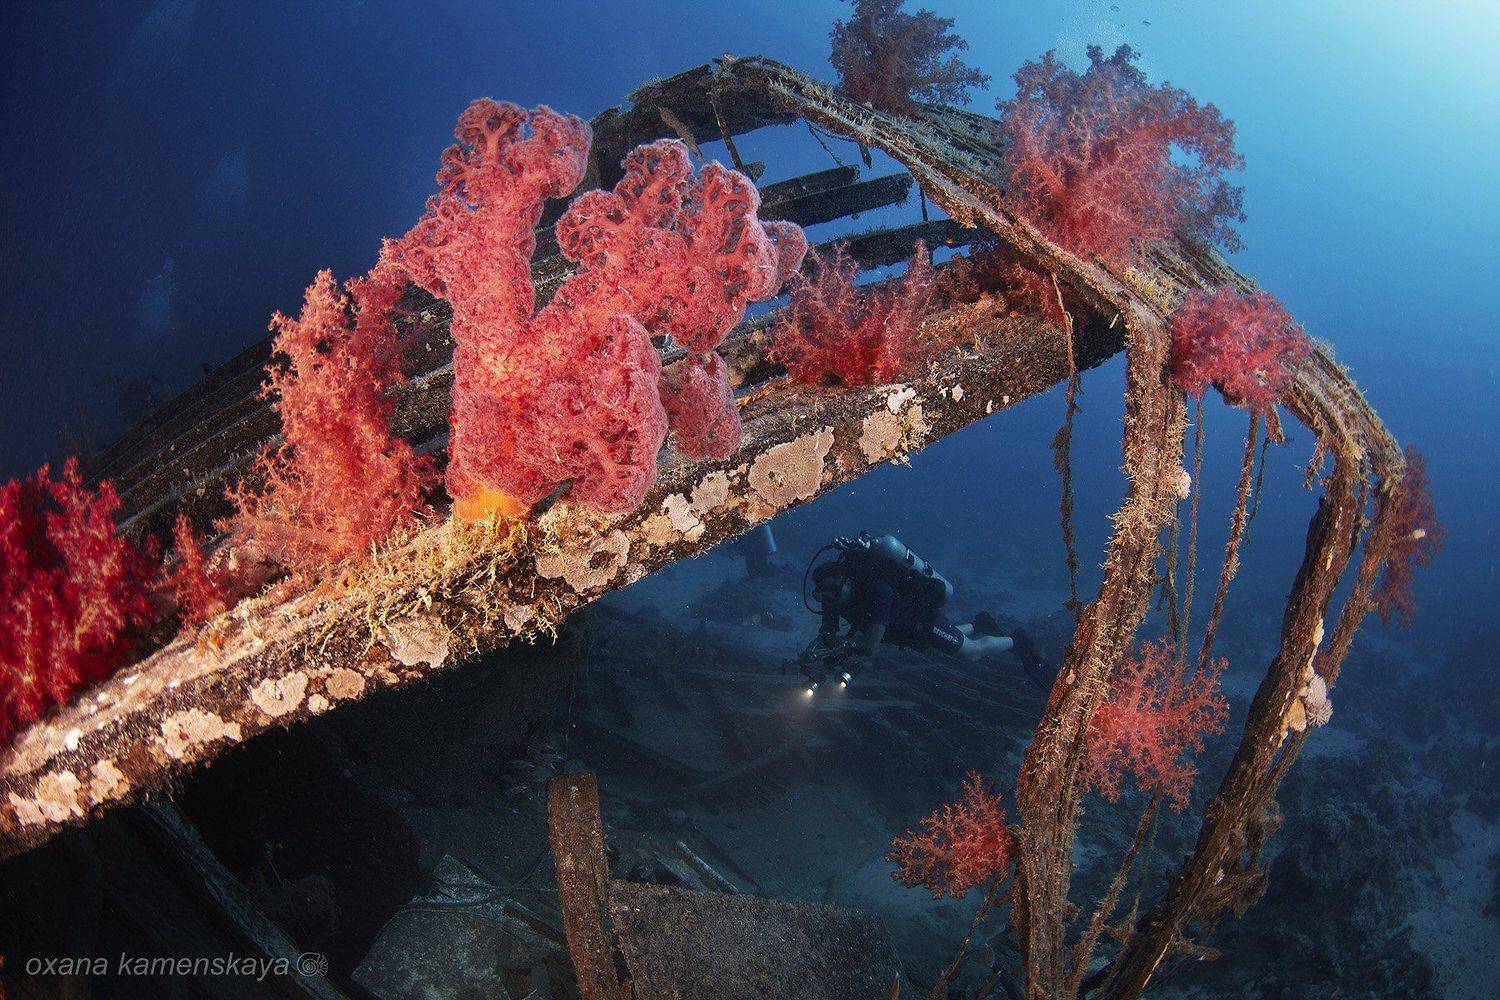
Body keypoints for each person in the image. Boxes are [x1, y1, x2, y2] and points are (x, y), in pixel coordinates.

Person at [799, 532, 1049, 692]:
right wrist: (820, 651)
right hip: (905, 633)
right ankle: (978, 623)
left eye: (831, 590)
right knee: (937, 645)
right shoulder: (832, 600)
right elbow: (828, 634)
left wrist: (840, 649)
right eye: (822, 595)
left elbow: (869, 646)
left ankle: (1018, 640)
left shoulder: (877, 588)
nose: (829, 599)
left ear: (846, 579)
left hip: (922, 621)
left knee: (971, 652)